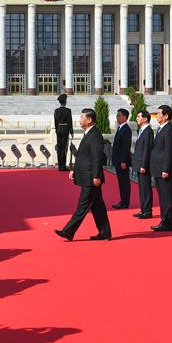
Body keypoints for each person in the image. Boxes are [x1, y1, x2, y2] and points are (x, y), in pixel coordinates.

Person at [55, 108, 112, 241]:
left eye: (82, 117)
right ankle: (105, 232)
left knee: (82, 206)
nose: (80, 120)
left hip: (91, 178)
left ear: (89, 120)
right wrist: (74, 170)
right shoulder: (89, 133)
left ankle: (68, 231)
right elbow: (83, 156)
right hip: (88, 176)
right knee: (97, 206)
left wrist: (96, 176)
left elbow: (97, 157)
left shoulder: (95, 135)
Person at [149, 104, 172, 231]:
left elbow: (168, 151)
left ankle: (167, 223)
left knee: (167, 197)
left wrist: (166, 169)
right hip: (158, 168)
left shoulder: (169, 130)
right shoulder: (161, 129)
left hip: (164, 170)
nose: (157, 116)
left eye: (159, 114)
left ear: (166, 116)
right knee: (162, 197)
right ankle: (164, 221)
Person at [132, 110, 154, 219]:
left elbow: (147, 150)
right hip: (139, 163)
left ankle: (147, 211)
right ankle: (143, 209)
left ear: (145, 119)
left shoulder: (148, 131)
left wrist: (143, 165)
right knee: (142, 188)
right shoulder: (142, 130)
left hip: (143, 165)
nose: (137, 118)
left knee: (145, 188)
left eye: (138, 116)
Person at [111, 109, 133, 209]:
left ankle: (125, 202)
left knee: (124, 182)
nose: (117, 117)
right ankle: (122, 201)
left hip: (122, 161)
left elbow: (125, 147)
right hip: (118, 160)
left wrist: (123, 161)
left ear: (125, 117)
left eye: (119, 115)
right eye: (117, 115)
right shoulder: (120, 128)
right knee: (121, 181)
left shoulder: (126, 129)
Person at [54, 93, 73, 171]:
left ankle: (60, 166)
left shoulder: (56, 111)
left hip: (59, 129)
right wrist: (71, 131)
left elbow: (56, 122)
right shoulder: (68, 111)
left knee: (59, 148)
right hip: (65, 130)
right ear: (65, 102)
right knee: (64, 148)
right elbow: (70, 122)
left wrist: (56, 130)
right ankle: (63, 166)